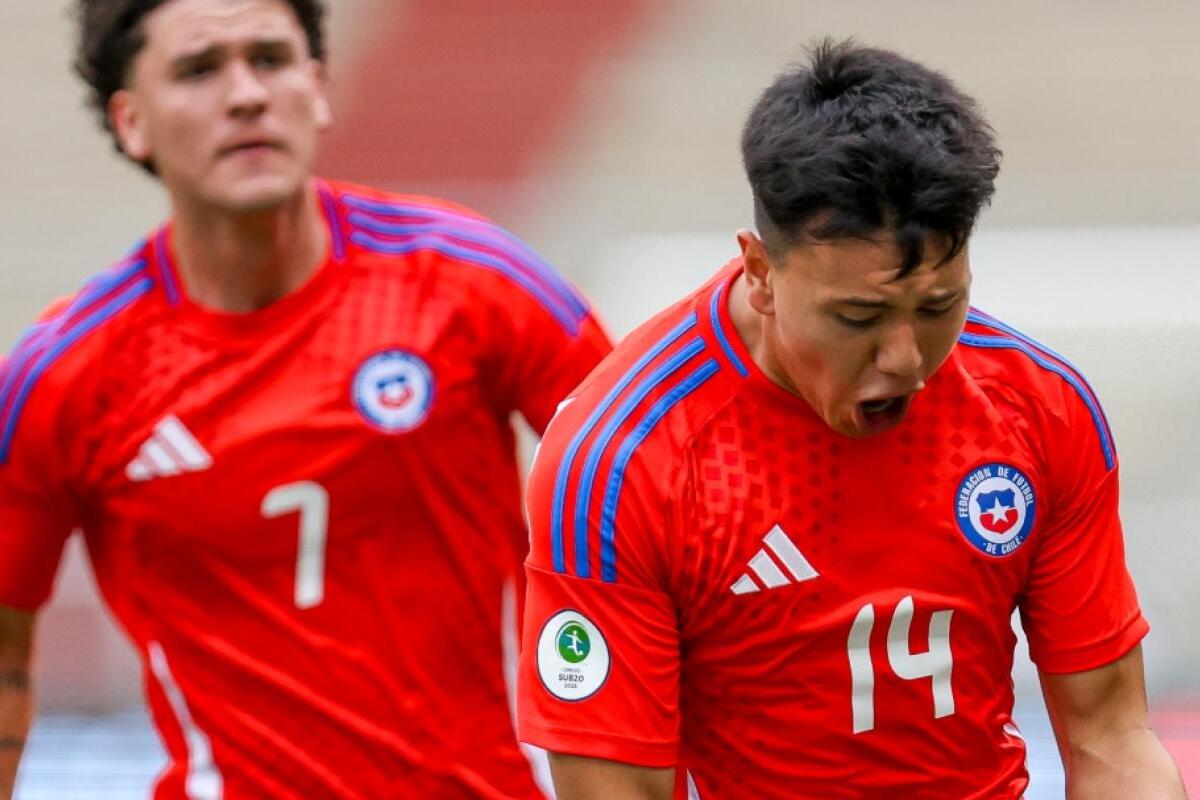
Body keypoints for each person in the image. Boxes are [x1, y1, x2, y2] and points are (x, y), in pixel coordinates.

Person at [516, 40, 1187, 799]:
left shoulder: (1039, 406)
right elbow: (615, 788)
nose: (907, 359)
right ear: (761, 273)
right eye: (858, 315)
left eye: (939, 308)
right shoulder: (621, 462)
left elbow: (1112, 739)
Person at [0, 0, 611, 797]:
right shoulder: (65, 374)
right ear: (131, 121)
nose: (247, 94)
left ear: (318, 88)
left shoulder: (473, 281)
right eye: (198, 69)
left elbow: (653, 503)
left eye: (272, 59)